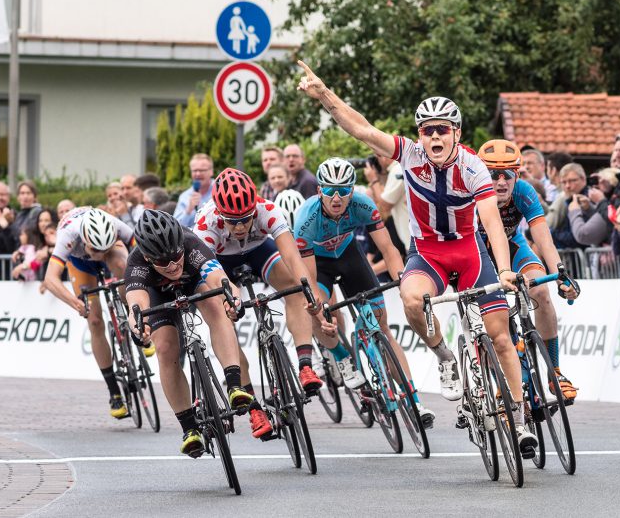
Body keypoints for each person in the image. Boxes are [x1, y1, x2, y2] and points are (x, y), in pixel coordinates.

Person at [297, 61, 539, 452]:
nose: (435, 136)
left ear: (456, 133)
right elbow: (361, 129)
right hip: (428, 253)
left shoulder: (473, 165)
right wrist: (324, 93)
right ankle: (444, 355)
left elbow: (492, 222)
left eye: (443, 129)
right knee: (411, 301)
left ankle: (520, 416)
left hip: (469, 250)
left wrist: (507, 270)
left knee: (500, 336)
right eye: (428, 130)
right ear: (420, 135)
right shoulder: (408, 155)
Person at [192, 168, 337, 438]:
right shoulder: (205, 224)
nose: (239, 227)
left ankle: (304, 365)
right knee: (224, 323)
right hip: (220, 264)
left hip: (259, 251)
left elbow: (293, 258)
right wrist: (230, 299)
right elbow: (214, 276)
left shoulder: (267, 209)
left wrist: (310, 290)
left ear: (254, 207)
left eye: (245, 219)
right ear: (220, 214)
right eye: (232, 221)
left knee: (295, 288)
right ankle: (253, 408)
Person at [292, 158, 434, 424]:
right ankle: (342, 359)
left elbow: (390, 250)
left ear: (352, 190)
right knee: (316, 315)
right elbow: (309, 278)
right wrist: (322, 314)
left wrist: (405, 281)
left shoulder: (363, 205)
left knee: (382, 328)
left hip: (349, 256)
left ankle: (414, 400)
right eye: (330, 190)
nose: (337, 197)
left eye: (344, 190)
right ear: (319, 190)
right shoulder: (306, 219)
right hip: (318, 264)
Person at [124, 209, 255, 457]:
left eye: (176, 257)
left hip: (194, 281)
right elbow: (136, 304)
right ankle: (189, 428)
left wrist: (233, 299)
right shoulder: (136, 263)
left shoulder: (191, 242)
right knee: (164, 348)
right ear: (149, 258)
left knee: (217, 308)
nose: (173, 265)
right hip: (158, 294)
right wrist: (138, 325)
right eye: (163, 262)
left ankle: (235, 386)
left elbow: (220, 278)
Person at [476, 140, 581, 399]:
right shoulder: (470, 195)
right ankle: (499, 378)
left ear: (517, 176)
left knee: (541, 293)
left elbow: (544, 239)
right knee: (487, 321)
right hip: (478, 256)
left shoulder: (525, 192)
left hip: (513, 248)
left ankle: (554, 371)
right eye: (492, 175)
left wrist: (560, 273)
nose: (501, 182)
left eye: (507, 175)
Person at [42, 206, 143, 419]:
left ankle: (133, 316)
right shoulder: (68, 235)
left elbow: (143, 254)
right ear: (85, 241)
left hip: (113, 249)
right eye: (96, 251)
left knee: (123, 265)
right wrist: (74, 303)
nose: (99, 257)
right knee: (95, 321)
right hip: (79, 261)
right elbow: (50, 279)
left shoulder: (117, 226)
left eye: (102, 251)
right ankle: (114, 392)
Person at [548, 163, 590, 249]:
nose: (567, 186)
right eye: (563, 182)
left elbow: (577, 238)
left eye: (572, 181)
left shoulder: (588, 199)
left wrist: (552, 234)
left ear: (583, 179)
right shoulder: (568, 200)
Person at [173, 153, 214, 227]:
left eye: (202, 170)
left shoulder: (221, 190)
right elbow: (175, 227)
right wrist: (188, 210)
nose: (198, 174)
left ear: (211, 171)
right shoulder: (184, 197)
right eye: (195, 171)